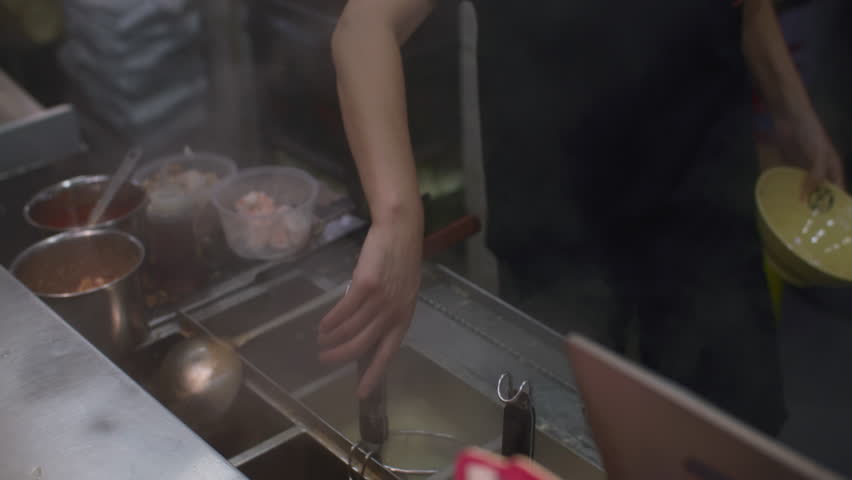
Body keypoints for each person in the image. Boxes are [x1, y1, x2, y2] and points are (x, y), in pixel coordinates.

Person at [316, 0, 844, 436]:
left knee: (728, 442)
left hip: (702, 197)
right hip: (558, 227)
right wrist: (398, 215)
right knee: (567, 439)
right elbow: (366, 25)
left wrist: (793, 112)